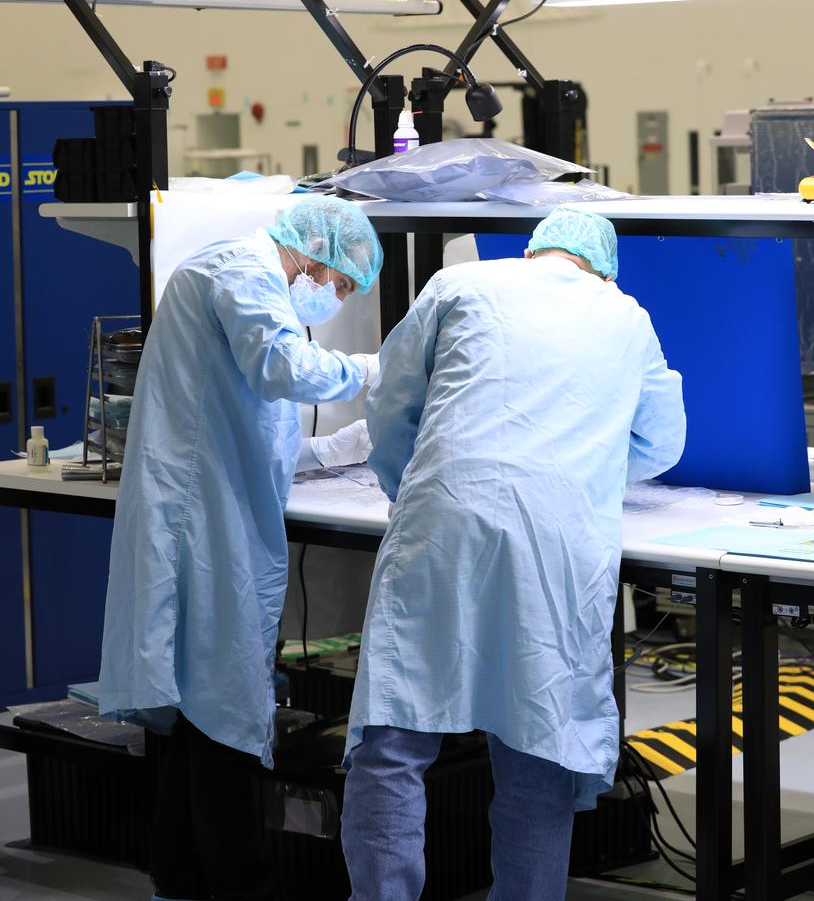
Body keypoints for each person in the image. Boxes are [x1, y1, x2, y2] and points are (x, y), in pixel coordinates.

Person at [341, 206, 686, 901]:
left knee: (395, 740)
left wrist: (405, 483)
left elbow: (392, 402)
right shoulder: (626, 317)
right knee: (537, 741)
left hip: (442, 521)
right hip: (556, 540)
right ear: (602, 265)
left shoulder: (459, 283)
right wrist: (581, 462)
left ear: (535, 249)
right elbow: (660, 444)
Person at [97, 196, 383, 901]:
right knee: (220, 707)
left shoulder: (243, 280)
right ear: (317, 256)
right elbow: (283, 371)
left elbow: (255, 431)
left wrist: (336, 448)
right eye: (341, 286)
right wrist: (381, 371)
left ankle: (184, 876)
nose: (333, 298)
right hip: (202, 523)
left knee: (199, 714)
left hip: (209, 508)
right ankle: (235, 880)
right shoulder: (242, 272)